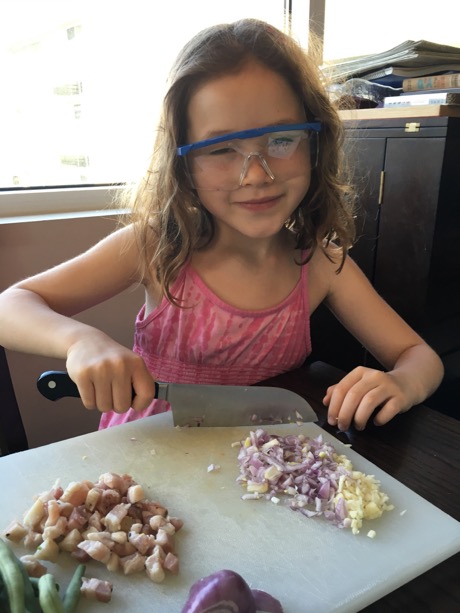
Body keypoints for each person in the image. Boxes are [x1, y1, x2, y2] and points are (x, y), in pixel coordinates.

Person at [0, 19, 443, 432]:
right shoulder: (156, 245)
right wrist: (80, 341)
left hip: (265, 470)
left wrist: (403, 383)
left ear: (316, 143)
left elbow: (418, 356)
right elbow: (12, 305)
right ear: (184, 163)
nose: (256, 175)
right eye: (220, 149)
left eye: (282, 140)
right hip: (147, 461)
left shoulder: (321, 262)